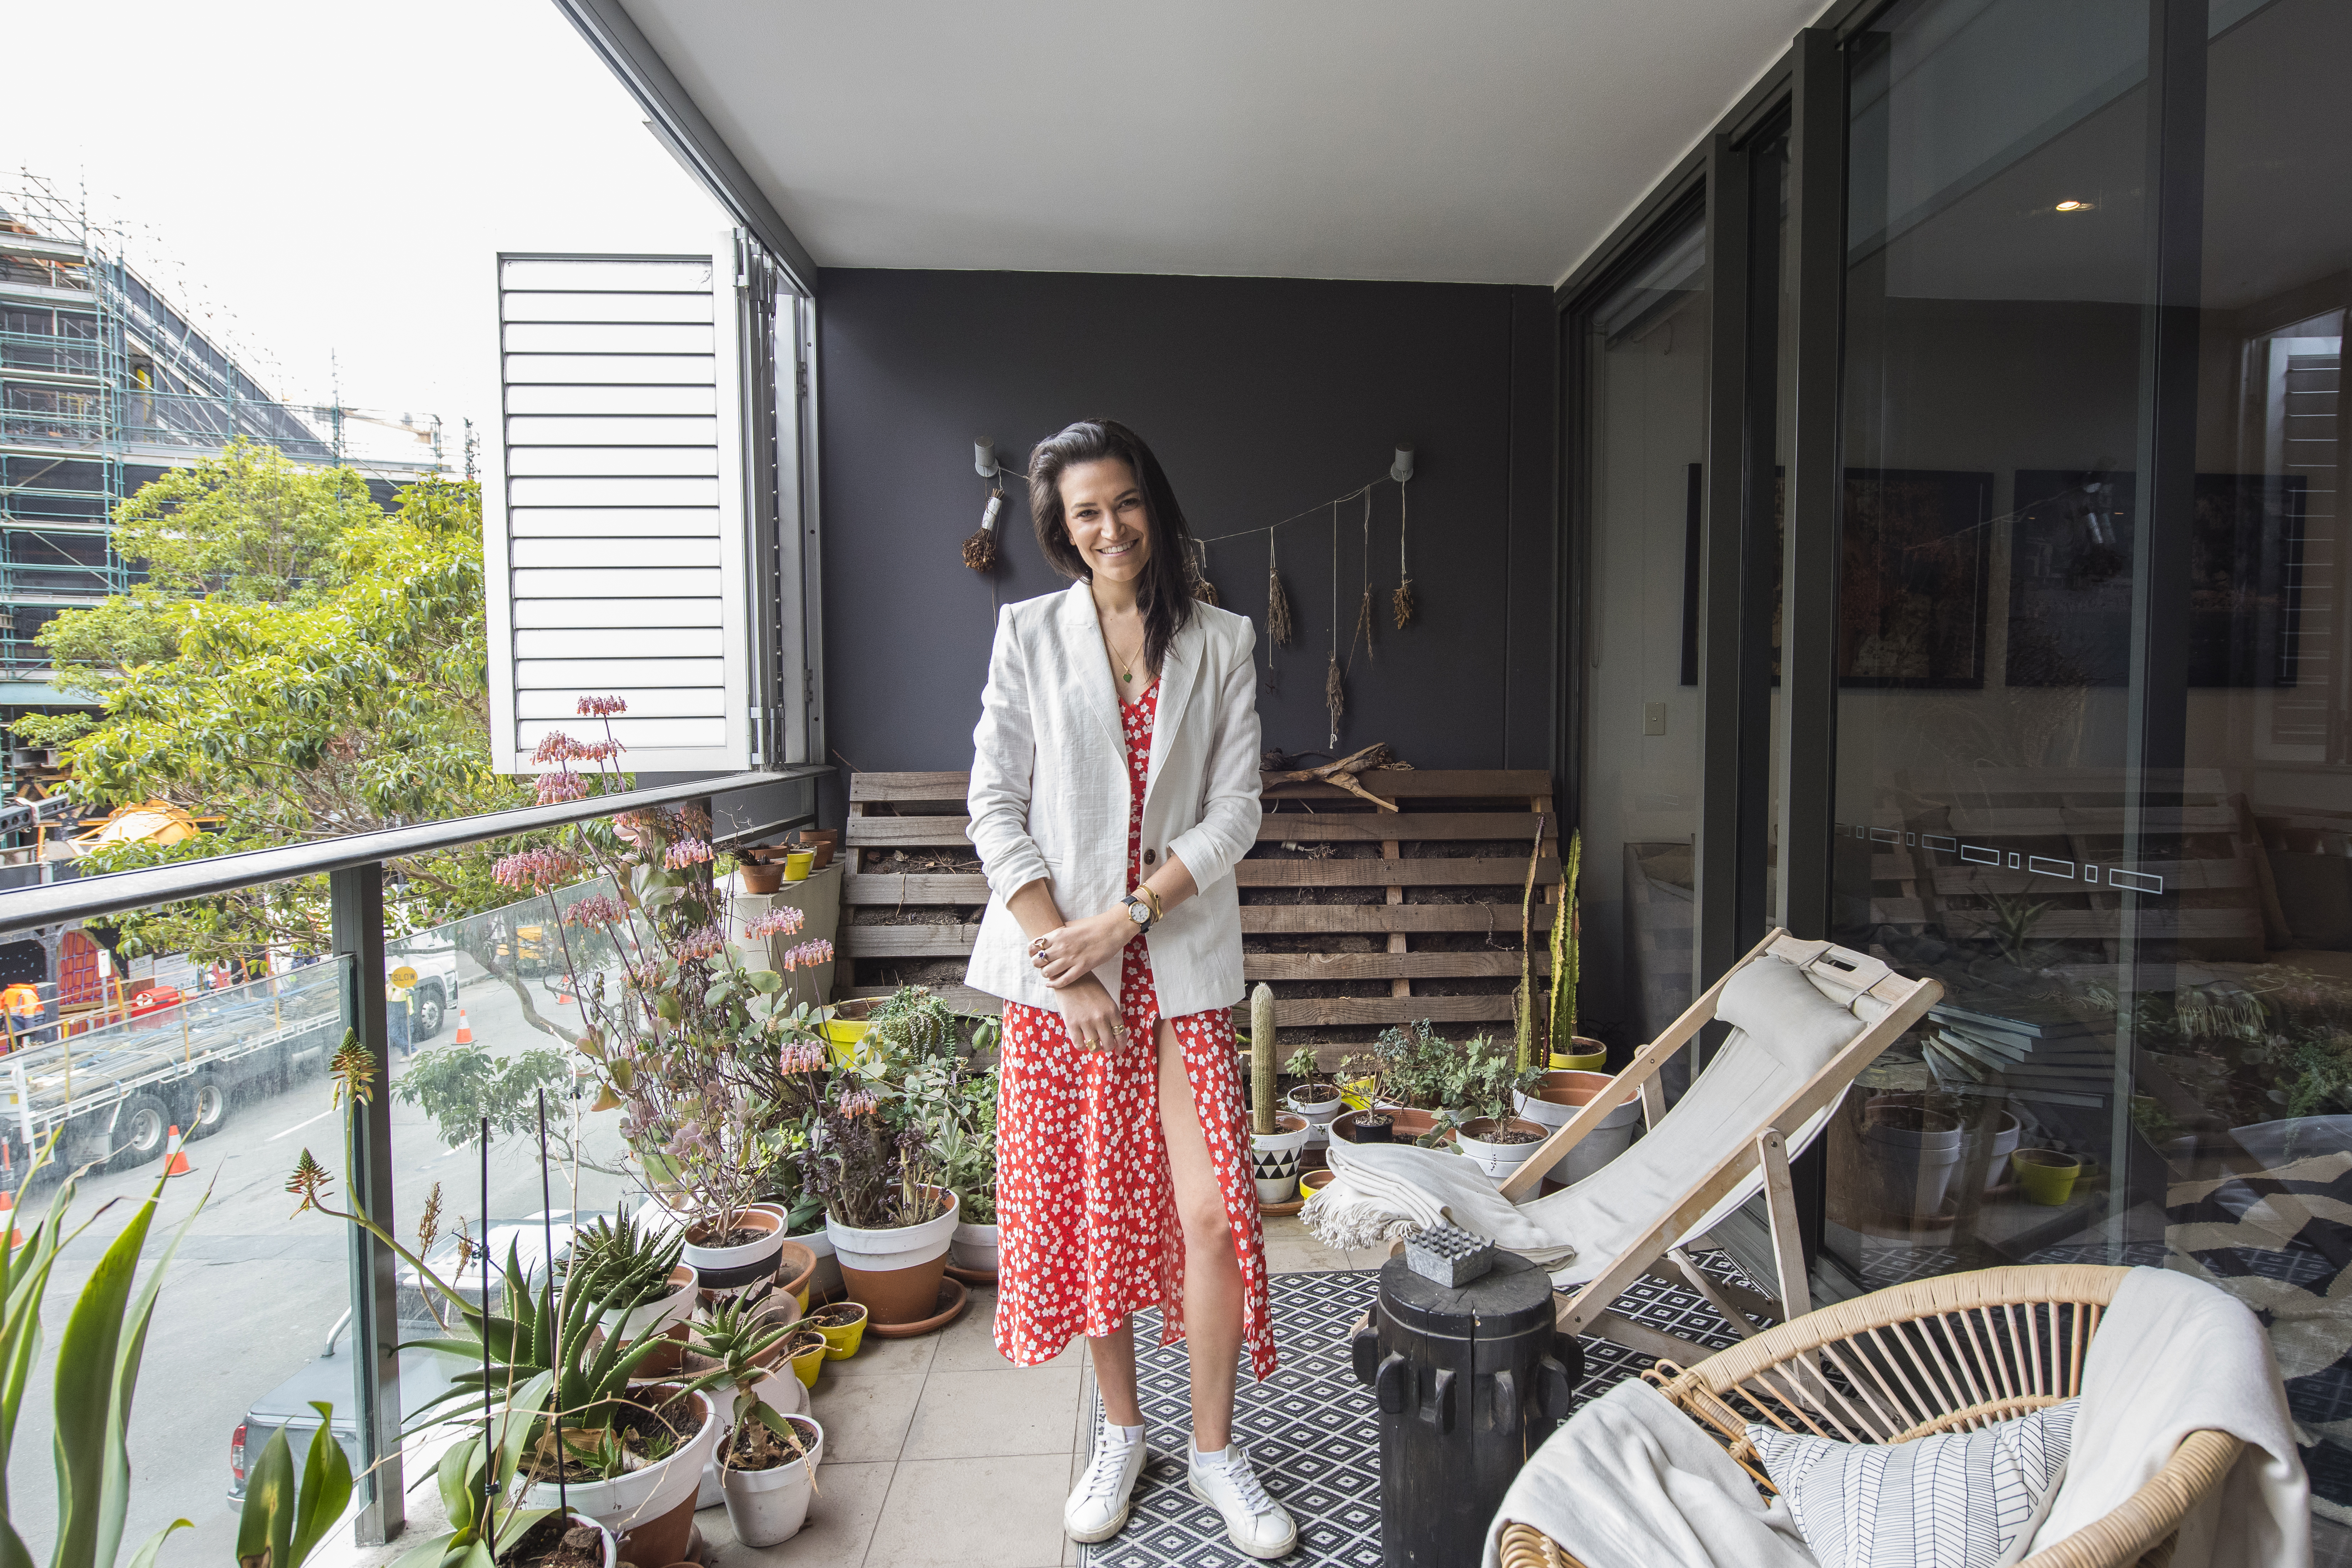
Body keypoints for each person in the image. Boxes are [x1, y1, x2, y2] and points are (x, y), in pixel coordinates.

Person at [965, 419, 1293, 1558]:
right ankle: (1122, 1433)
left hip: (1177, 958)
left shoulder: (1220, 640)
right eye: (1084, 512)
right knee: (1097, 1214)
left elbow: (1235, 812)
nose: (1110, 528)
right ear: (1059, 527)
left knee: (1209, 1216)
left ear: (1155, 503)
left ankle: (1213, 1451)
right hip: (1066, 976)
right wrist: (1072, 958)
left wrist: (1131, 916)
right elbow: (994, 806)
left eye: (1125, 503)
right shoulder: (1027, 635)